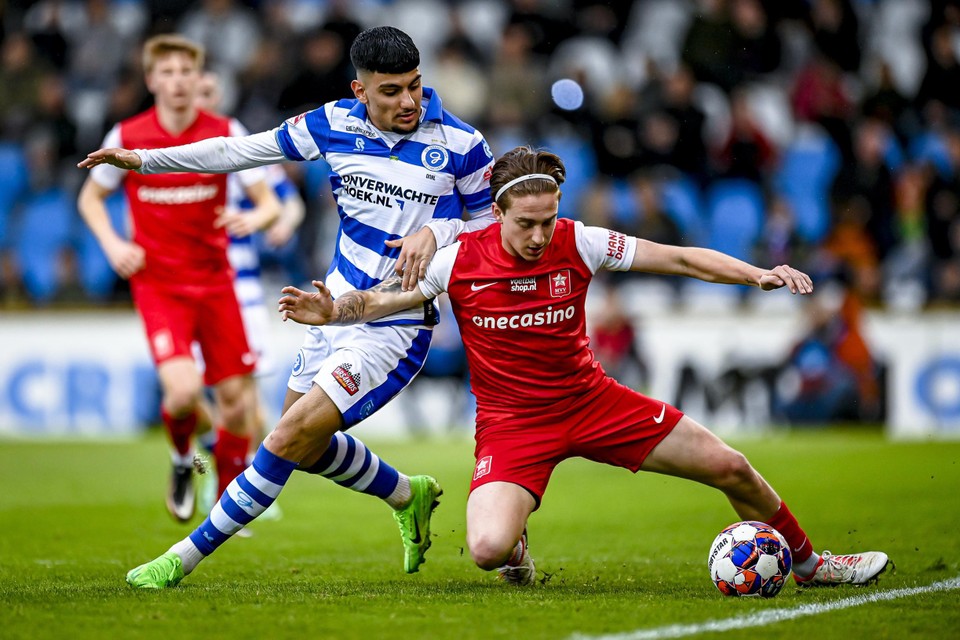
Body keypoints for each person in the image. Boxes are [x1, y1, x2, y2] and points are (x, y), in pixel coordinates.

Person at [278, 146, 891, 588]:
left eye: (548, 219)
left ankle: (814, 565)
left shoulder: (580, 240)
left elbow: (677, 258)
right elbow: (382, 301)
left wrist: (756, 272)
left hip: (593, 403)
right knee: (487, 550)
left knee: (730, 466)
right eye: (526, 223)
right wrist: (333, 311)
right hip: (512, 425)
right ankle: (517, 539)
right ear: (498, 213)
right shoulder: (459, 259)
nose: (541, 234)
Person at [80, 26, 496, 586]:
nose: (408, 102)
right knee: (305, 443)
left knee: (282, 440)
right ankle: (406, 493)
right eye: (391, 91)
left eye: (415, 87)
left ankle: (182, 557)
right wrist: (142, 159)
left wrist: (441, 231)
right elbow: (236, 151)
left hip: (395, 321)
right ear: (360, 91)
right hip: (331, 308)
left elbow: (492, 235)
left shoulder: (463, 144)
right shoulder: (332, 124)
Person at [77, 34, 281, 524]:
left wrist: (259, 217)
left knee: (237, 406)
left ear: (200, 78)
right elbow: (90, 199)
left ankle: (230, 505)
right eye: (167, 73)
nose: (178, 82)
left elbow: (269, 196)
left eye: (186, 72)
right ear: (151, 80)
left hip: (216, 282)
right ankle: (183, 459)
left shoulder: (224, 129)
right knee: (185, 392)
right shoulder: (126, 136)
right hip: (160, 285)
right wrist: (113, 244)